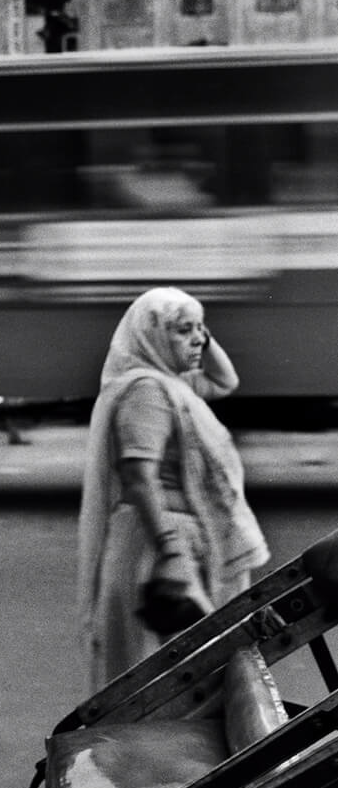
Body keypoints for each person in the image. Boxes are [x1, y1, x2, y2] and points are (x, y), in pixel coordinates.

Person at [77, 286, 269, 694]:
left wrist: (197, 330)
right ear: (153, 338)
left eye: (201, 329)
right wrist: (173, 553)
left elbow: (225, 380)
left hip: (177, 540)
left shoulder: (173, 384)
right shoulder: (146, 393)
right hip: (158, 545)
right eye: (184, 331)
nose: (199, 338)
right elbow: (137, 478)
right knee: (160, 681)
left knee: (187, 677)